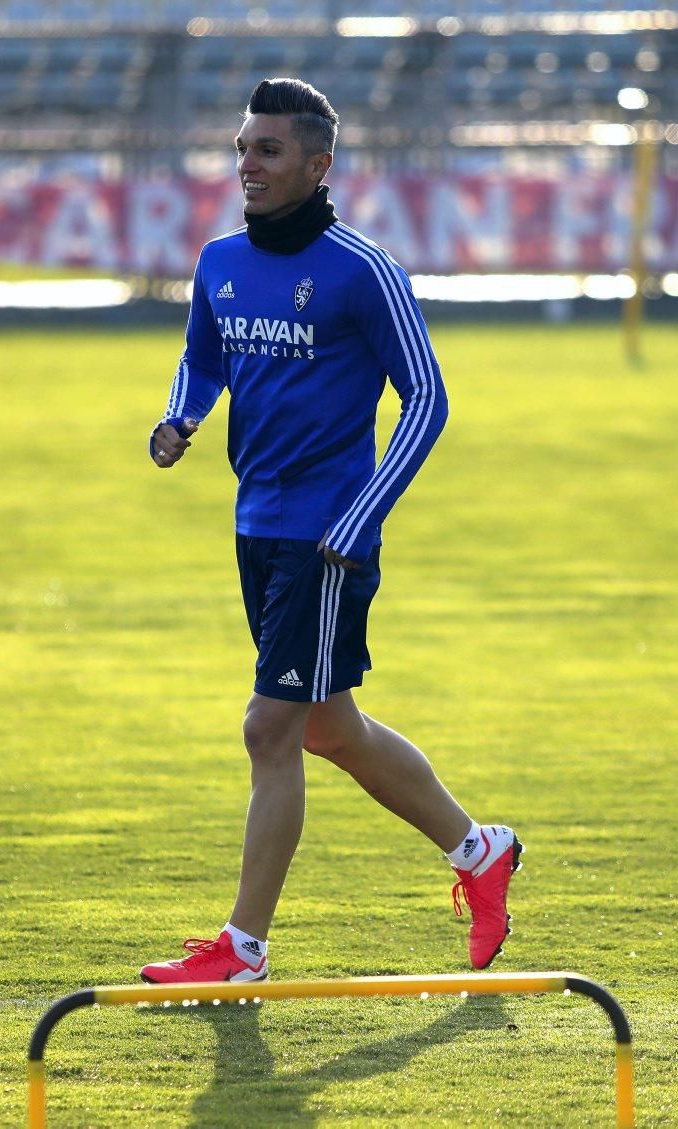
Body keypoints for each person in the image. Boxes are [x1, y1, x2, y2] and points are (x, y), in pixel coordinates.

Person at [141, 78, 522, 984]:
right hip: (256, 525)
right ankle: (480, 851)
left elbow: (426, 398)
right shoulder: (218, 260)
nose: (248, 164)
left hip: (328, 538)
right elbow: (202, 358)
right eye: (242, 147)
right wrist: (179, 417)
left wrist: (362, 514)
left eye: (268, 151)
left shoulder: (364, 269)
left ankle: (242, 949)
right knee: (327, 727)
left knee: (269, 728)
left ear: (319, 166)